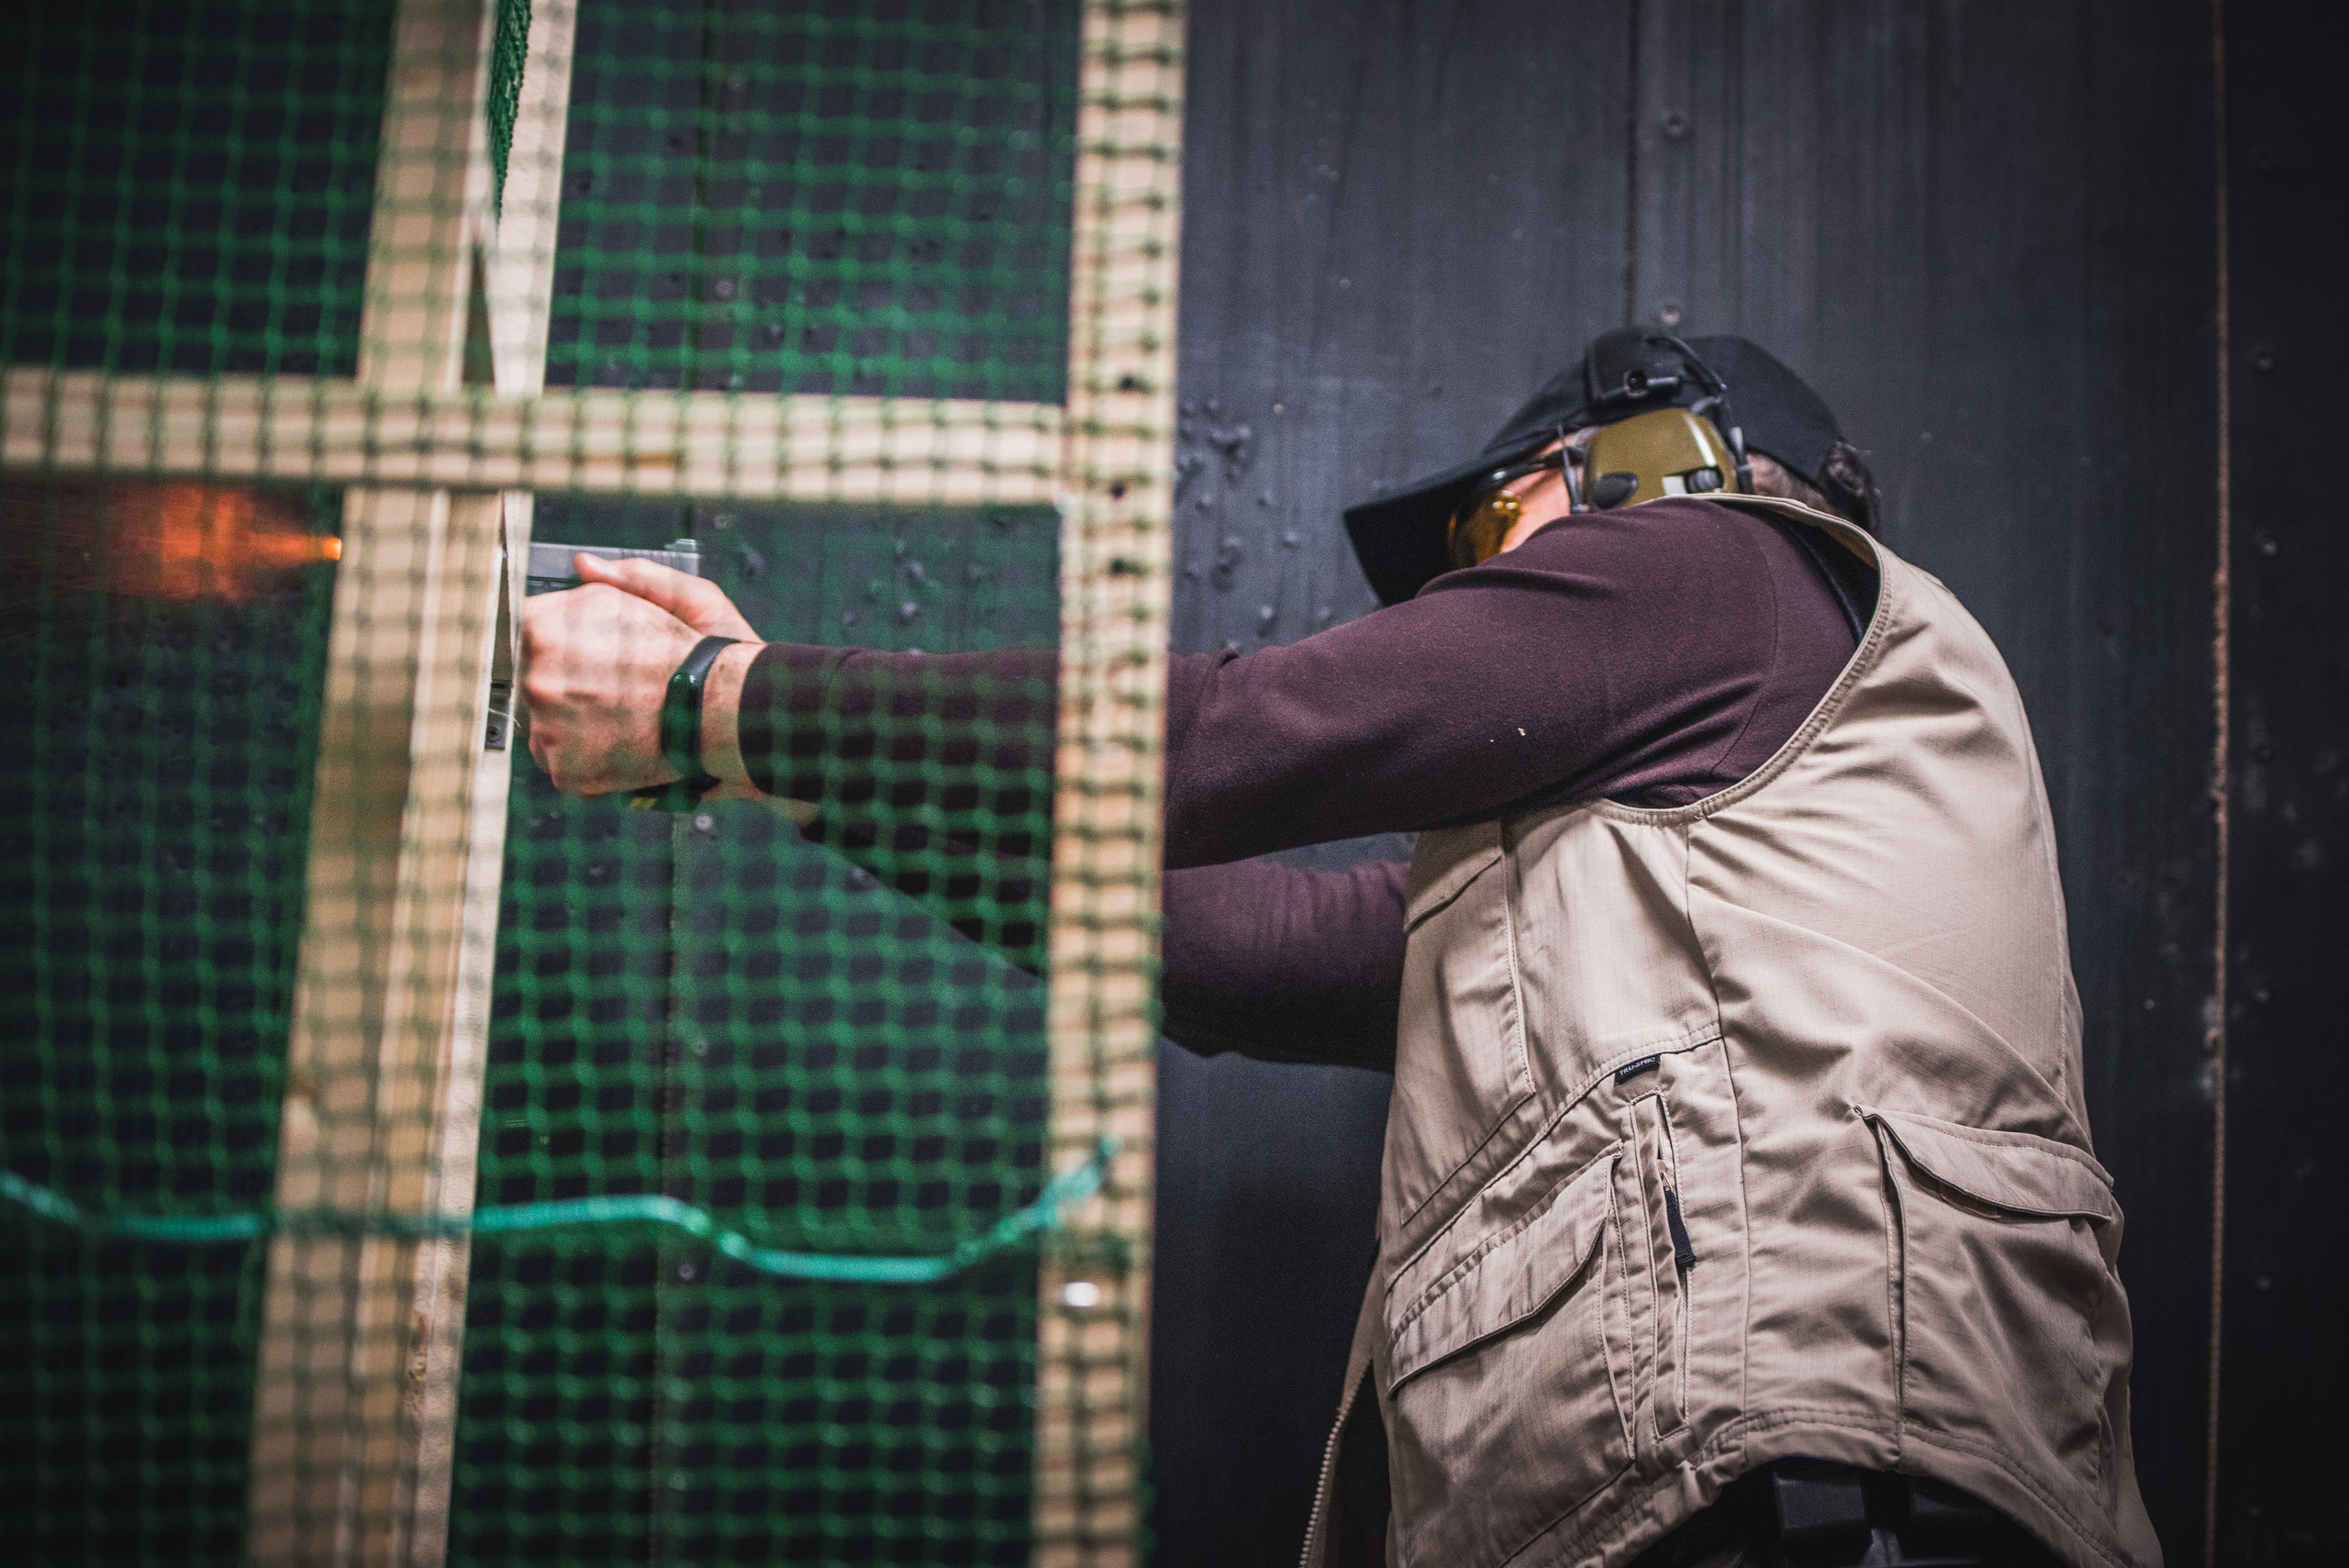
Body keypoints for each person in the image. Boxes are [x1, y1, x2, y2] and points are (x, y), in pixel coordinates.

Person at [520, 330, 2156, 1568]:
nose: (1486, 575)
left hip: (1801, 1502)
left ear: (1649, 459)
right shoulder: (1675, 878)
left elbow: (1236, 738)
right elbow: (1219, 951)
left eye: (1497, 520)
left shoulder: (1718, 563)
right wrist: (766, 753)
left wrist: (726, 700)